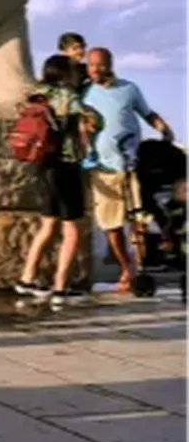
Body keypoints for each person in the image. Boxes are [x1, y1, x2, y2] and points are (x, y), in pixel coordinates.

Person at [82, 47, 174, 293]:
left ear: (110, 65)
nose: (95, 69)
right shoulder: (84, 93)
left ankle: (142, 267)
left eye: (99, 64)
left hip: (131, 165)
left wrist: (163, 129)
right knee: (111, 225)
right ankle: (127, 269)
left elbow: (147, 114)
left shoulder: (128, 89)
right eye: (91, 65)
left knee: (138, 220)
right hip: (102, 169)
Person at [15, 54, 94, 306]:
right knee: (72, 229)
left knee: (47, 224)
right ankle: (61, 286)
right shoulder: (67, 96)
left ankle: (27, 278)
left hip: (42, 164)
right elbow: (92, 120)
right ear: (65, 73)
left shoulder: (35, 94)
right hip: (65, 164)